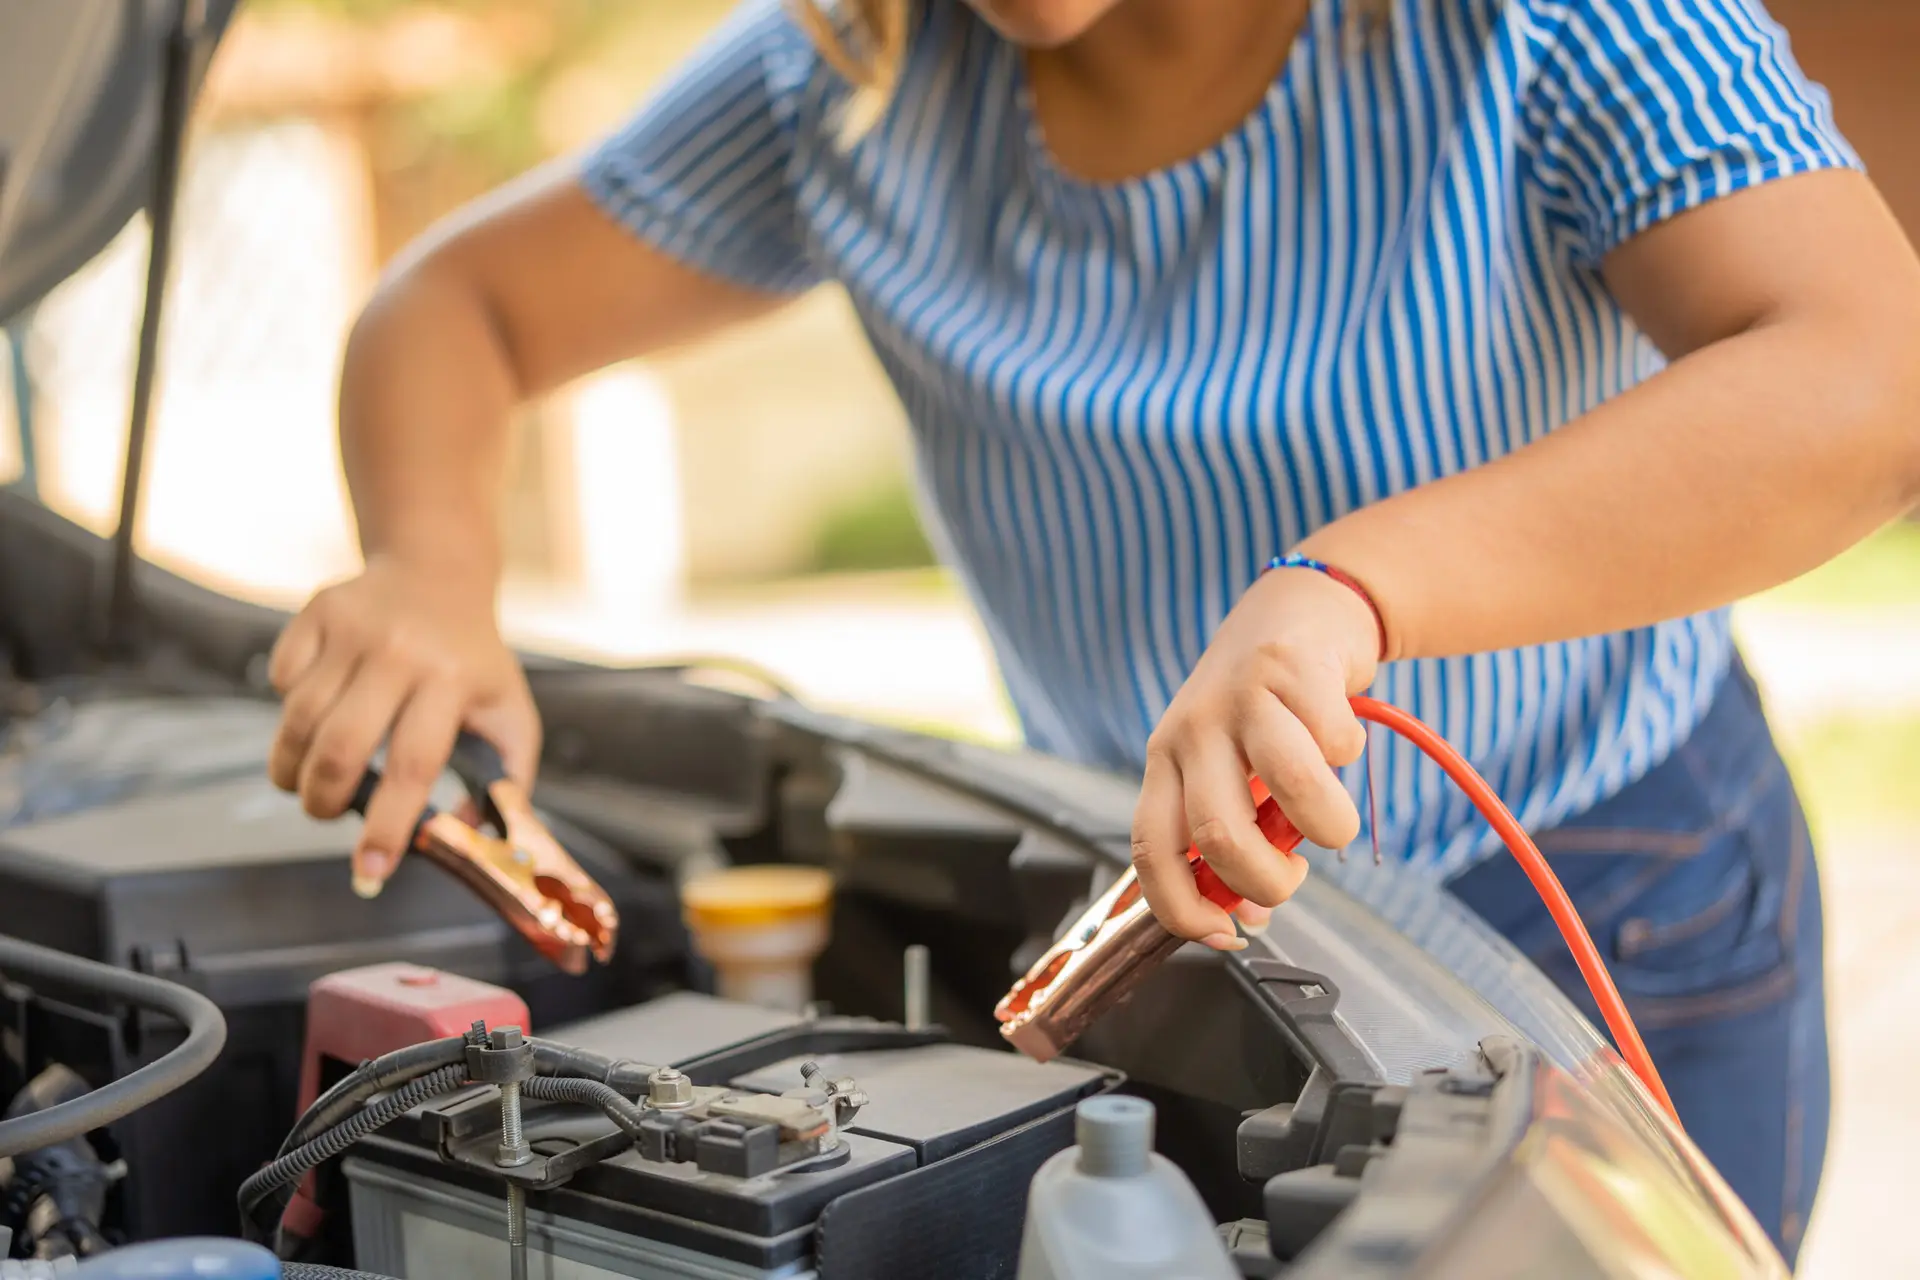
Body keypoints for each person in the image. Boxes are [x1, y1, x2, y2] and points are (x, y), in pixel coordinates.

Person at [265, 0, 1920, 1262]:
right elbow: (451, 309)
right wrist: (428, 567)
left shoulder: (1539, 32)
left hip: (1597, 905)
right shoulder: (850, 75)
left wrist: (1354, 589)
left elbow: (1866, 375)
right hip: (1176, 930)